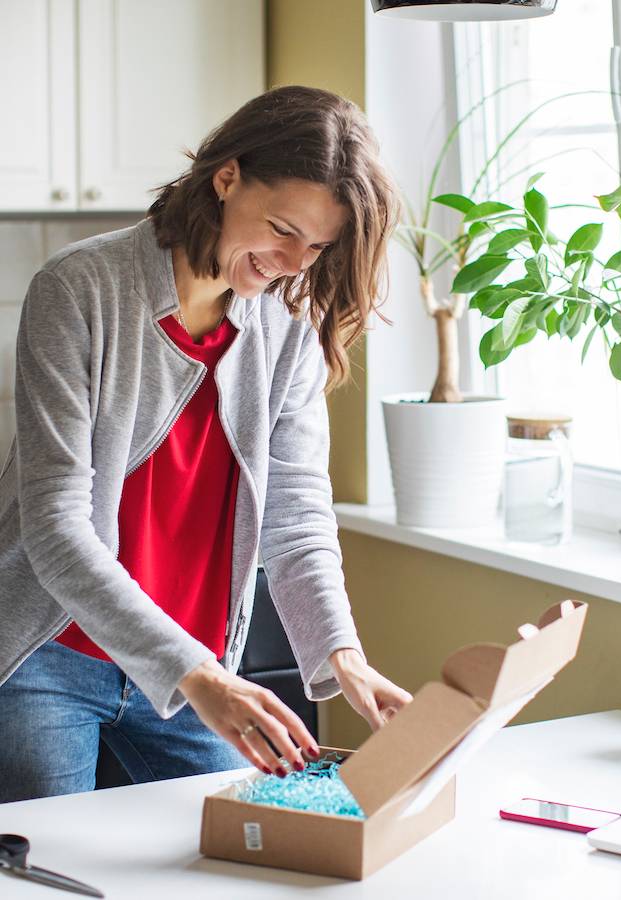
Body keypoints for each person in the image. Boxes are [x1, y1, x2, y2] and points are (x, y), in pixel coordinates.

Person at [0, 85, 412, 803]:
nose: (292, 262)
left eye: (316, 247)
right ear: (227, 177)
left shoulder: (287, 329)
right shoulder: (79, 289)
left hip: (200, 666)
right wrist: (204, 678)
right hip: (53, 658)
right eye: (283, 228)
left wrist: (343, 656)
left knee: (237, 858)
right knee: (51, 865)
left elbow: (297, 517)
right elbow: (57, 528)